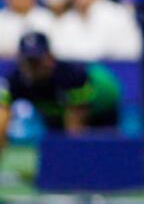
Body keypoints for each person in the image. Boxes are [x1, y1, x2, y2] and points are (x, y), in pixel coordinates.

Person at [0, 32, 122, 160]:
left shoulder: (72, 77)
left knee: (99, 153)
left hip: (102, 103)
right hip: (58, 109)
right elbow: (1, 121)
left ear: (50, 58)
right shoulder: (13, 81)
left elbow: (74, 131)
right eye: (28, 61)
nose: (32, 67)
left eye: (37, 61)